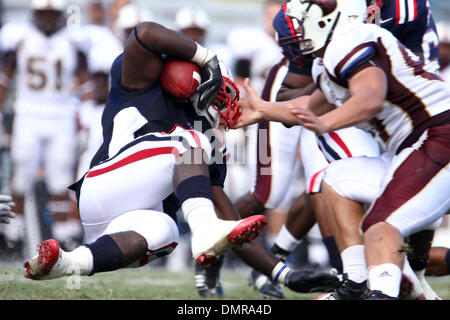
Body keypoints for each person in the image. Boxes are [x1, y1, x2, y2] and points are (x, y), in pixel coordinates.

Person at [23, 21, 340, 298]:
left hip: (113, 223)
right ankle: (203, 233)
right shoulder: (140, 83)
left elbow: (231, 224)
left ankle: (68, 262)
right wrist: (207, 57)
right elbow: (145, 31)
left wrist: (283, 274)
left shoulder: (204, 143)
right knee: (189, 140)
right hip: (104, 183)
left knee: (166, 230)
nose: (224, 101)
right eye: (220, 90)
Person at [235, 0, 450, 300]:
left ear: (328, 20)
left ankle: (383, 293)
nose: (297, 34)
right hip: (419, 147)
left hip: (438, 139)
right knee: (336, 180)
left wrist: (325, 125)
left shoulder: (349, 42)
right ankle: (357, 283)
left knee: (382, 225)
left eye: (303, 22)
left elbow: (370, 98)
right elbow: (307, 105)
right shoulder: (331, 60)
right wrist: (262, 111)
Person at [0, 0, 90, 253]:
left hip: (61, 116)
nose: (49, 19)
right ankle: (13, 231)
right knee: (22, 174)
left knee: (60, 178)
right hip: (28, 113)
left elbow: (85, 86)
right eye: (44, 13)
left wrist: (84, 120)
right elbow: (5, 79)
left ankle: (64, 235)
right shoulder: (19, 39)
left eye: (53, 14)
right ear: (34, 14)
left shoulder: (73, 42)